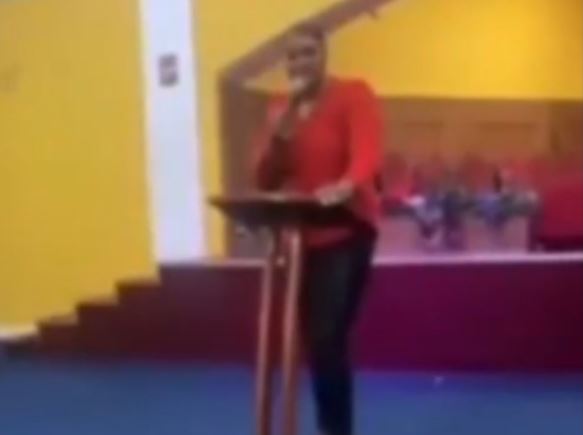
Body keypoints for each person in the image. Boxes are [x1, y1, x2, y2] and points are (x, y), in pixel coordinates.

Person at [252, 23, 383, 435]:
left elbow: (366, 154)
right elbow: (264, 178)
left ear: (324, 55)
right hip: (303, 238)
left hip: (348, 229)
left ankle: (335, 430)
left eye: (308, 53)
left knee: (328, 338)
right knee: (319, 345)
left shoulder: (353, 94)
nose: (300, 62)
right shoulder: (280, 107)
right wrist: (280, 136)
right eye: (292, 56)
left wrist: (346, 184)